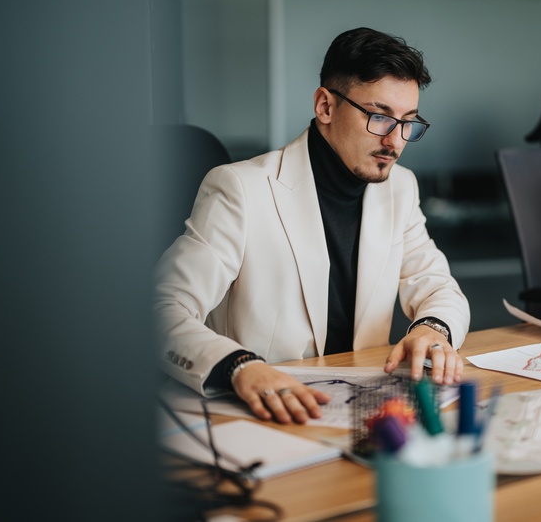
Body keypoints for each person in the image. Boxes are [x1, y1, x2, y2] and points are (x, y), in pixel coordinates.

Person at [154, 27, 470, 424]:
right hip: (261, 417)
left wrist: (432, 329)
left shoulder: (400, 187)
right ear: (325, 106)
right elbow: (162, 308)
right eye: (379, 117)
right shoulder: (240, 188)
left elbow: (438, 285)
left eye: (408, 122)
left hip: (358, 415)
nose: (395, 141)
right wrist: (239, 366)